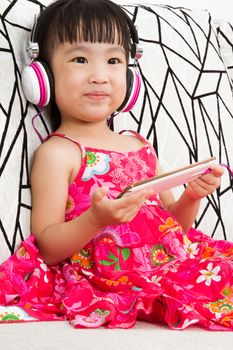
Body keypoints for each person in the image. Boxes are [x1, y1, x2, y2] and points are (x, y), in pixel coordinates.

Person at [0, 0, 233, 330]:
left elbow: (174, 232)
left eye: (113, 61)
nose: (100, 77)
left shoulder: (139, 145)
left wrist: (192, 196)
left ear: (129, 76)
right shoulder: (60, 153)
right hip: (116, 275)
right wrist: (96, 219)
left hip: (172, 262)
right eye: (80, 59)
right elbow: (48, 247)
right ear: (43, 76)